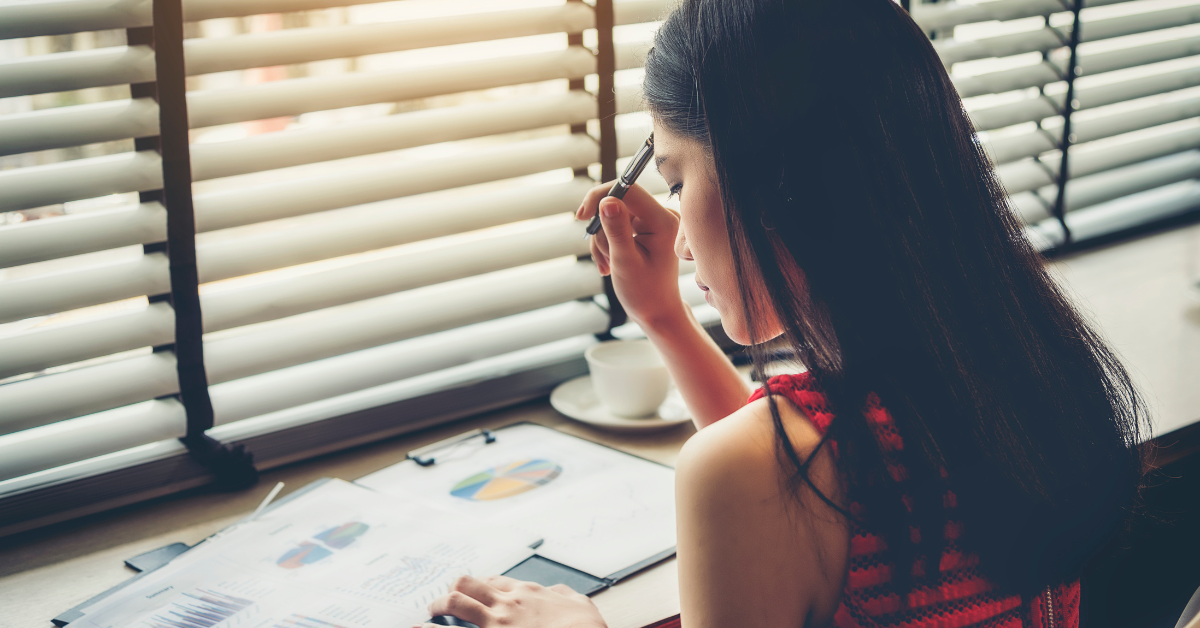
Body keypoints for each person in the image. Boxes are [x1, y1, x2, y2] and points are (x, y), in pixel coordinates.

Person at [418, 0, 1147, 626]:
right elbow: (800, 498)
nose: (678, 237)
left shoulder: (757, 470)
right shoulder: (1025, 367)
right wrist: (666, 319)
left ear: (771, 187)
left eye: (675, 177)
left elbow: (770, 484)